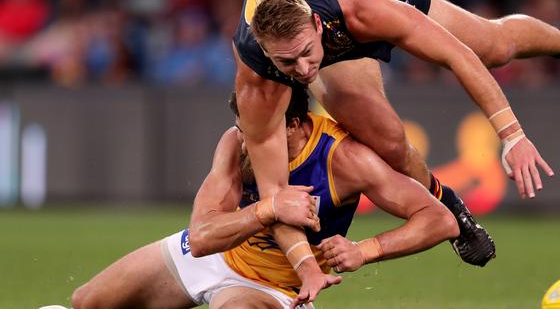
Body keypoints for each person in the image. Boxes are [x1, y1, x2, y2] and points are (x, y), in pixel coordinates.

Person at [232, 0, 560, 276]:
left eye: (306, 54)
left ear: (319, 29)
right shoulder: (256, 76)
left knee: (493, 45)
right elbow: (274, 196)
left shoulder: (361, 8)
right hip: (315, 34)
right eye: (288, 64)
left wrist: (512, 135)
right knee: (388, 141)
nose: (305, 70)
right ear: (266, 53)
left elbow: (458, 56)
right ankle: (452, 208)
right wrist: (305, 266)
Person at [70, 88, 460, 309]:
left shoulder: (345, 159)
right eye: (243, 128)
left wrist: (366, 249)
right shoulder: (235, 143)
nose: (245, 139)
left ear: (294, 124)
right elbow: (203, 236)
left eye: (256, 130)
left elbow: (440, 220)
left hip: (276, 287)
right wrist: (268, 208)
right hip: (218, 255)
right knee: (87, 302)